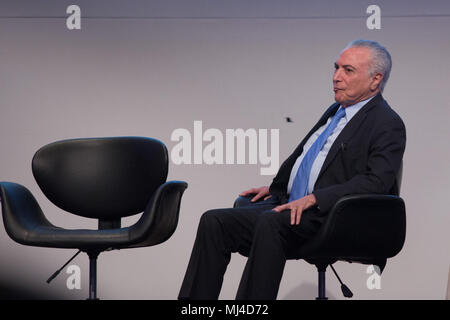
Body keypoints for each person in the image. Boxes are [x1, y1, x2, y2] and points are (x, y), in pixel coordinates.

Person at [178, 39, 406, 300]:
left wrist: (316, 198)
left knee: (271, 223)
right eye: (336, 68)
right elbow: (309, 159)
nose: (336, 77)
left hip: (333, 215)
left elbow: (376, 182)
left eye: (348, 70)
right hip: (297, 206)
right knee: (214, 221)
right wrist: (278, 189)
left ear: (375, 80)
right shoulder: (336, 111)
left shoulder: (387, 123)